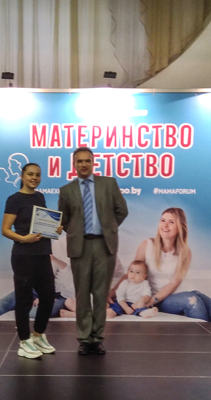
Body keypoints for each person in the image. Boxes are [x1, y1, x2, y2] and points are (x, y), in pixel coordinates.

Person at [58, 147, 128, 355]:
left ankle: (96, 338)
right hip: (80, 247)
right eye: (79, 161)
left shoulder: (108, 183)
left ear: (93, 162)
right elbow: (63, 219)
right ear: (74, 164)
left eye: (87, 160)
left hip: (104, 246)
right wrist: (75, 232)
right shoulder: (66, 190)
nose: (83, 164)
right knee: (81, 294)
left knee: (100, 294)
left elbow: (122, 210)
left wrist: (108, 228)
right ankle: (84, 338)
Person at [112, 207, 211, 322]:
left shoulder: (185, 252)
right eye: (163, 220)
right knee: (192, 301)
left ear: (180, 227)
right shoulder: (147, 245)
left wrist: (151, 302)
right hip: (159, 297)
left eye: (171, 222)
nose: (165, 225)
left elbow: (175, 282)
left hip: (182, 291)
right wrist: (112, 293)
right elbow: (131, 273)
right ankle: (199, 336)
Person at [1, 162, 63, 359]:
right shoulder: (14, 199)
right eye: (30, 174)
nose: (34, 178)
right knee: (24, 299)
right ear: (22, 176)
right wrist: (23, 239)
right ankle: (24, 341)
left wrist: (55, 228)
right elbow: (5, 230)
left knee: (48, 296)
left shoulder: (39, 196)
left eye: (37, 174)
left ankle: (37, 335)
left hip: (42, 254)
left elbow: (41, 224)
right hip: (23, 256)